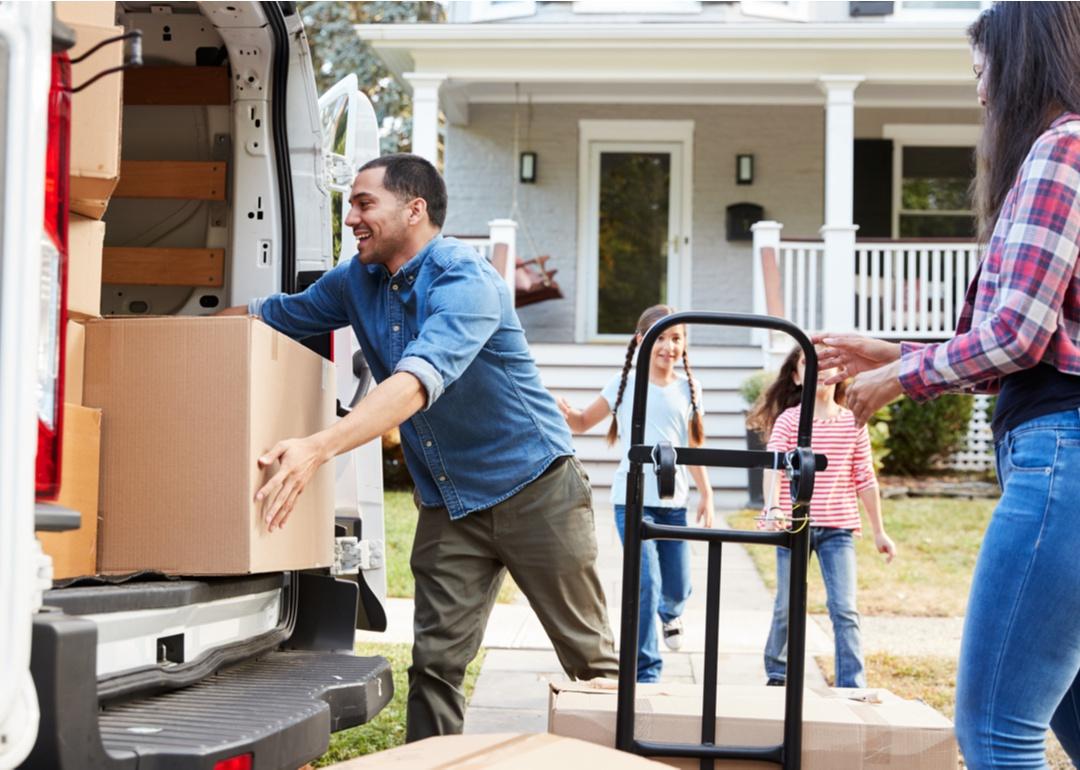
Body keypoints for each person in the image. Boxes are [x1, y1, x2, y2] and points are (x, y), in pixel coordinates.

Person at [220, 153, 619, 740]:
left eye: (363, 203)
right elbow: (275, 317)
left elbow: (414, 384)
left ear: (414, 209)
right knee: (435, 666)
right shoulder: (357, 279)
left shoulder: (465, 278)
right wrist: (175, 331)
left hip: (536, 489)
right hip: (451, 504)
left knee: (590, 663)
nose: (350, 217)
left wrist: (319, 446)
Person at [813, 4, 1080, 766]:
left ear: (1020, 64)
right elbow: (1042, 341)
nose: (980, 95)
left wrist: (899, 379)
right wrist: (894, 351)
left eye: (982, 73)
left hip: (1063, 463)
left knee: (997, 730)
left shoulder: (1062, 149)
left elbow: (1019, 337)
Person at [556, 304, 714, 682]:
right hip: (632, 500)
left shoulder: (689, 388)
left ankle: (671, 614)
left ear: (684, 345)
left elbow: (693, 444)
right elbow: (581, 422)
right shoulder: (623, 384)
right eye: (660, 337)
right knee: (646, 583)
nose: (668, 346)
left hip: (674, 503)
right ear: (641, 341)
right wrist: (562, 410)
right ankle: (647, 672)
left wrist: (706, 493)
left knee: (677, 586)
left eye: (676, 338)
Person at [747, 345, 895, 688]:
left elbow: (865, 478)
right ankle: (778, 672)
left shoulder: (852, 422)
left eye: (829, 364)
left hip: (838, 528)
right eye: (809, 363)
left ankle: (851, 684)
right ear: (797, 376)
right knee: (787, 604)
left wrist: (879, 532)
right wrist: (774, 508)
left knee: (844, 608)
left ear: (841, 374)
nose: (820, 370)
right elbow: (774, 468)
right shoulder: (788, 421)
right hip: (792, 525)